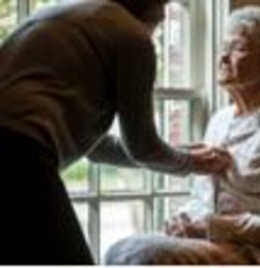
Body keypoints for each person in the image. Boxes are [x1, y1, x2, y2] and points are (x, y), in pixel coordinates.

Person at [0, 0, 230, 264]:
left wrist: (183, 153)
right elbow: (143, 147)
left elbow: (98, 149)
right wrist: (191, 163)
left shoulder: (62, 15)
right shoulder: (131, 35)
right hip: (17, 154)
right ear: (154, 12)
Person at [104, 5, 260, 265]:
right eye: (223, 47)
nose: (223, 57)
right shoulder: (220, 119)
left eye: (237, 48)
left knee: (141, 255)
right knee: (121, 250)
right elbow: (203, 198)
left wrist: (215, 227)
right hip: (217, 244)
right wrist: (184, 220)